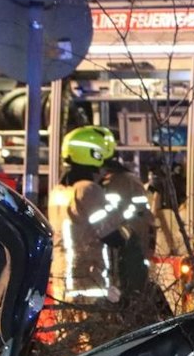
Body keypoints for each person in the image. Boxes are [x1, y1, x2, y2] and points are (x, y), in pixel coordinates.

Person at [46, 125, 127, 301]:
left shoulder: (57, 192)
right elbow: (114, 237)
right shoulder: (88, 190)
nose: (105, 171)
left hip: (63, 283)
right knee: (95, 329)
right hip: (90, 283)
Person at [99, 155, 156, 300]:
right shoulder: (130, 180)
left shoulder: (120, 182)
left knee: (128, 287)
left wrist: (122, 229)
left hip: (126, 242)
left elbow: (138, 213)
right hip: (127, 240)